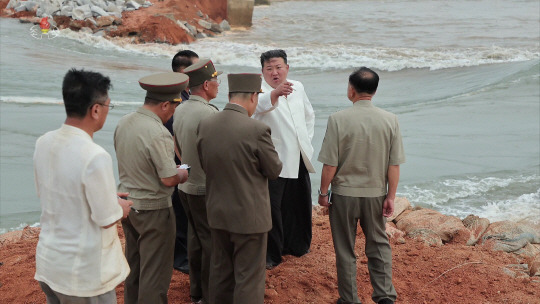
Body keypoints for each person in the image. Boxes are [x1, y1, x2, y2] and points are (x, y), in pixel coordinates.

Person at [33, 68, 132, 303]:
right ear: (95, 109)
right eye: (108, 106)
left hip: (49, 263)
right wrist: (121, 207)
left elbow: (54, 191)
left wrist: (106, 196)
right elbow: (107, 217)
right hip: (83, 275)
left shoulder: (44, 141)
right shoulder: (95, 155)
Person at [317, 67, 405, 304]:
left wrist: (323, 193)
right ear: (374, 91)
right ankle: (385, 296)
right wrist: (391, 197)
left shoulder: (337, 119)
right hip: (376, 194)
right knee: (378, 245)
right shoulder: (390, 120)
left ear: (351, 90)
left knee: (345, 249)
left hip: (344, 195)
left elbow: (330, 165)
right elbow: (394, 165)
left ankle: (349, 299)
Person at [196, 74, 282, 304]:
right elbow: (274, 170)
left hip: (217, 213)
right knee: (249, 277)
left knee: (221, 272)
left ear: (229, 95)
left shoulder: (206, 124)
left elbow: (205, 165)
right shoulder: (257, 129)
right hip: (249, 218)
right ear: (254, 97)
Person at [114, 72, 190, 304]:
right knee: (155, 274)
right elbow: (168, 178)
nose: (174, 113)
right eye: (175, 107)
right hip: (155, 210)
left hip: (129, 205)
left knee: (135, 269)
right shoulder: (159, 132)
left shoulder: (124, 121)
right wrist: (184, 173)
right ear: (166, 104)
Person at [253, 49, 315, 269]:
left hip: (298, 155)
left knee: (299, 202)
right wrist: (275, 94)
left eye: (278, 67)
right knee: (273, 208)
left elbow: (309, 115)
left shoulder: (298, 87)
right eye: (269, 69)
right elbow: (257, 108)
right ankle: (272, 254)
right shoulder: (258, 91)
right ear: (262, 72)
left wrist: (306, 142)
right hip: (273, 160)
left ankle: (298, 246)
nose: (275, 72)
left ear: (287, 68)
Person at [172, 58, 221, 304]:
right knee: (211, 242)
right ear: (205, 86)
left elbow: (176, 145)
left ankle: (196, 291)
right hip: (204, 188)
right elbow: (218, 154)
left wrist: (187, 166)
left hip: (186, 184)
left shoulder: (180, 108)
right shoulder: (209, 114)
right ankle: (210, 295)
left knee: (194, 237)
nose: (218, 84)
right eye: (215, 80)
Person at [166, 49, 200, 274]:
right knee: (179, 213)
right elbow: (174, 139)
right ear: (184, 72)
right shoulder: (175, 99)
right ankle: (180, 258)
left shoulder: (179, 95)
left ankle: (182, 255)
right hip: (174, 165)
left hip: (176, 164)